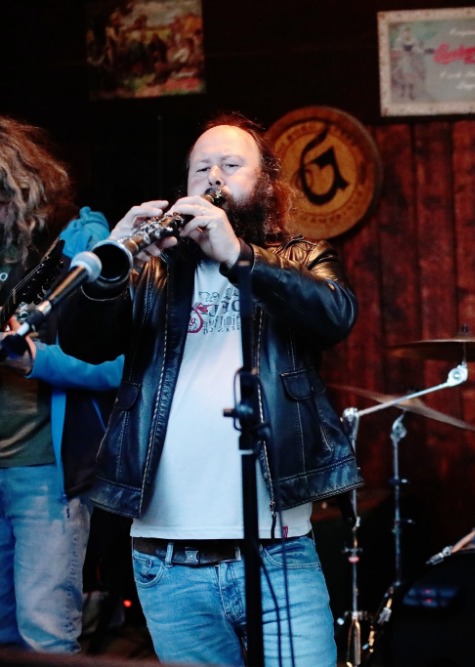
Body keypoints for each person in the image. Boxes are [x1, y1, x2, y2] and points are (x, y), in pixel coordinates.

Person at [60, 113, 363, 667]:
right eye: (201, 168)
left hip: (277, 552)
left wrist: (240, 257)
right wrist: (112, 264)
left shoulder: (300, 257)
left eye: (230, 164)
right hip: (165, 557)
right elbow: (85, 343)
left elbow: (335, 314)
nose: (214, 176)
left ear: (265, 184)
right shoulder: (151, 270)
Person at [0, 115, 123, 653]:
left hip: (43, 473)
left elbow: (119, 364)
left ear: (19, 187)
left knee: (45, 637)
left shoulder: (78, 243)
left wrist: (37, 361)